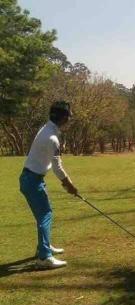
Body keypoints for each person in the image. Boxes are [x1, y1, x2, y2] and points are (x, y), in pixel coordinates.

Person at [20, 101, 78, 269]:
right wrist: (69, 184)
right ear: (62, 117)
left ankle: (43, 247)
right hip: (32, 180)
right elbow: (57, 166)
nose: (69, 120)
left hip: (31, 179)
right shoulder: (52, 138)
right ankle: (44, 257)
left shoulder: (46, 129)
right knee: (45, 214)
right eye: (68, 116)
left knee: (43, 214)